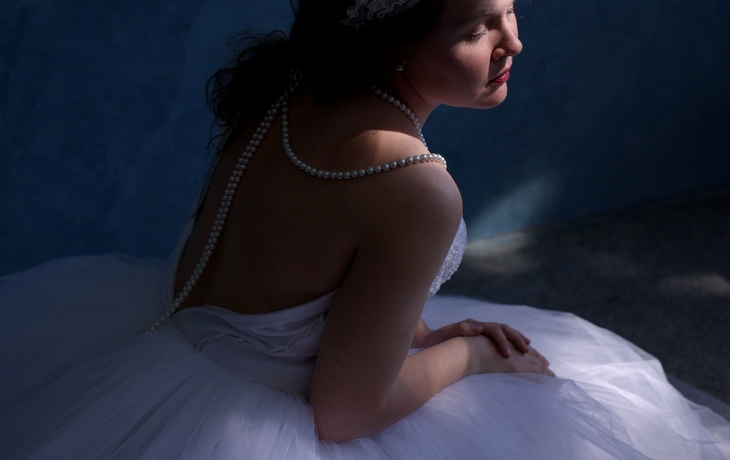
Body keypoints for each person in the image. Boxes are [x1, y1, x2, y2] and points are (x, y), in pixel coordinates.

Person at [1, 0, 729, 458]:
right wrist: (472, 356)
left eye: (510, 9)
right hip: (252, 419)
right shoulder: (414, 185)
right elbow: (345, 414)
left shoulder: (287, 87)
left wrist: (419, 334)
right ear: (393, 42)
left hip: (168, 343)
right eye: (478, 27)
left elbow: (304, 270)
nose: (513, 42)